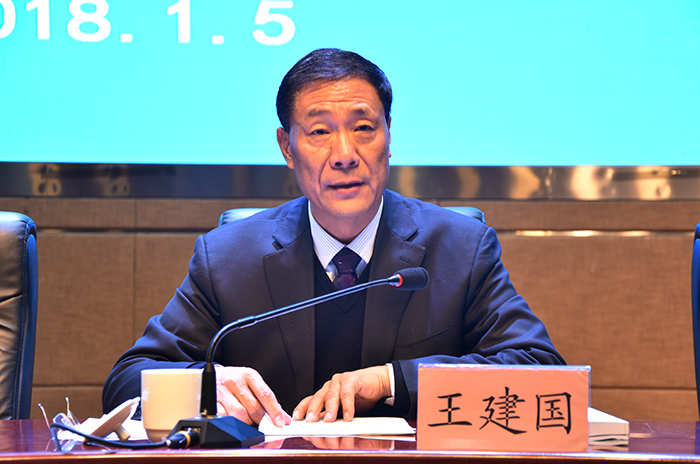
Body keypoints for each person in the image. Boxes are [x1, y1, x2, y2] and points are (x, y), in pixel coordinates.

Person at [102, 48, 565, 428]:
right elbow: (126, 381)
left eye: (363, 128)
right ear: (287, 148)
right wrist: (205, 386)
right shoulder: (227, 258)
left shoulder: (461, 249)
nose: (344, 154)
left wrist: (391, 381)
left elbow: (543, 373)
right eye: (320, 131)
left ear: (388, 136)